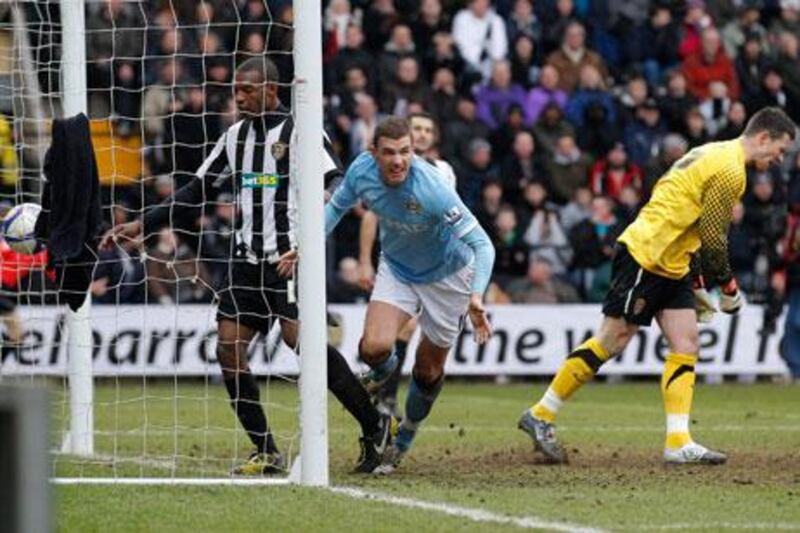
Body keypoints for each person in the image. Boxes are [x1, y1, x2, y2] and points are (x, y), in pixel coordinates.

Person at [100, 57, 392, 475]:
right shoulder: (234, 136)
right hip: (245, 261)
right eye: (236, 89)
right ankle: (266, 450)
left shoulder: (301, 132)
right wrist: (142, 223)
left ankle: (374, 423)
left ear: (271, 90)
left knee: (301, 345)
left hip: (289, 260)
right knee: (229, 349)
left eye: (247, 89)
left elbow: (336, 182)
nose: (237, 96)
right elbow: (195, 190)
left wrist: (325, 213)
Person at [518, 107, 795, 465]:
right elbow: (713, 238)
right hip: (646, 255)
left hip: (673, 260)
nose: (780, 158)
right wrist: (728, 289)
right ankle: (541, 413)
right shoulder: (730, 171)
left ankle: (678, 441)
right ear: (763, 138)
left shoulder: (712, 152)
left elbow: (684, 212)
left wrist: (694, 278)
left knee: (686, 341)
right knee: (612, 339)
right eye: (780, 149)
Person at [320, 116, 495, 474]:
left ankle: (405, 438)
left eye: (405, 152)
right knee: (372, 348)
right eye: (389, 153)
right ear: (374, 153)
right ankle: (382, 372)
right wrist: (308, 244)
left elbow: (483, 244)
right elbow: (338, 206)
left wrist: (476, 296)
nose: (398, 160)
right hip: (398, 268)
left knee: (428, 371)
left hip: (449, 277)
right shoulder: (361, 171)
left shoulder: (432, 186)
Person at [358, 112, 457, 417]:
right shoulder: (385, 172)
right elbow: (371, 216)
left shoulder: (443, 171)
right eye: (418, 129)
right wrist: (364, 261)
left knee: (410, 332)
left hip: (433, 266)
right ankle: (384, 393)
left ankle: (385, 395)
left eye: (429, 129)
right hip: (396, 262)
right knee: (389, 335)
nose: (423, 134)